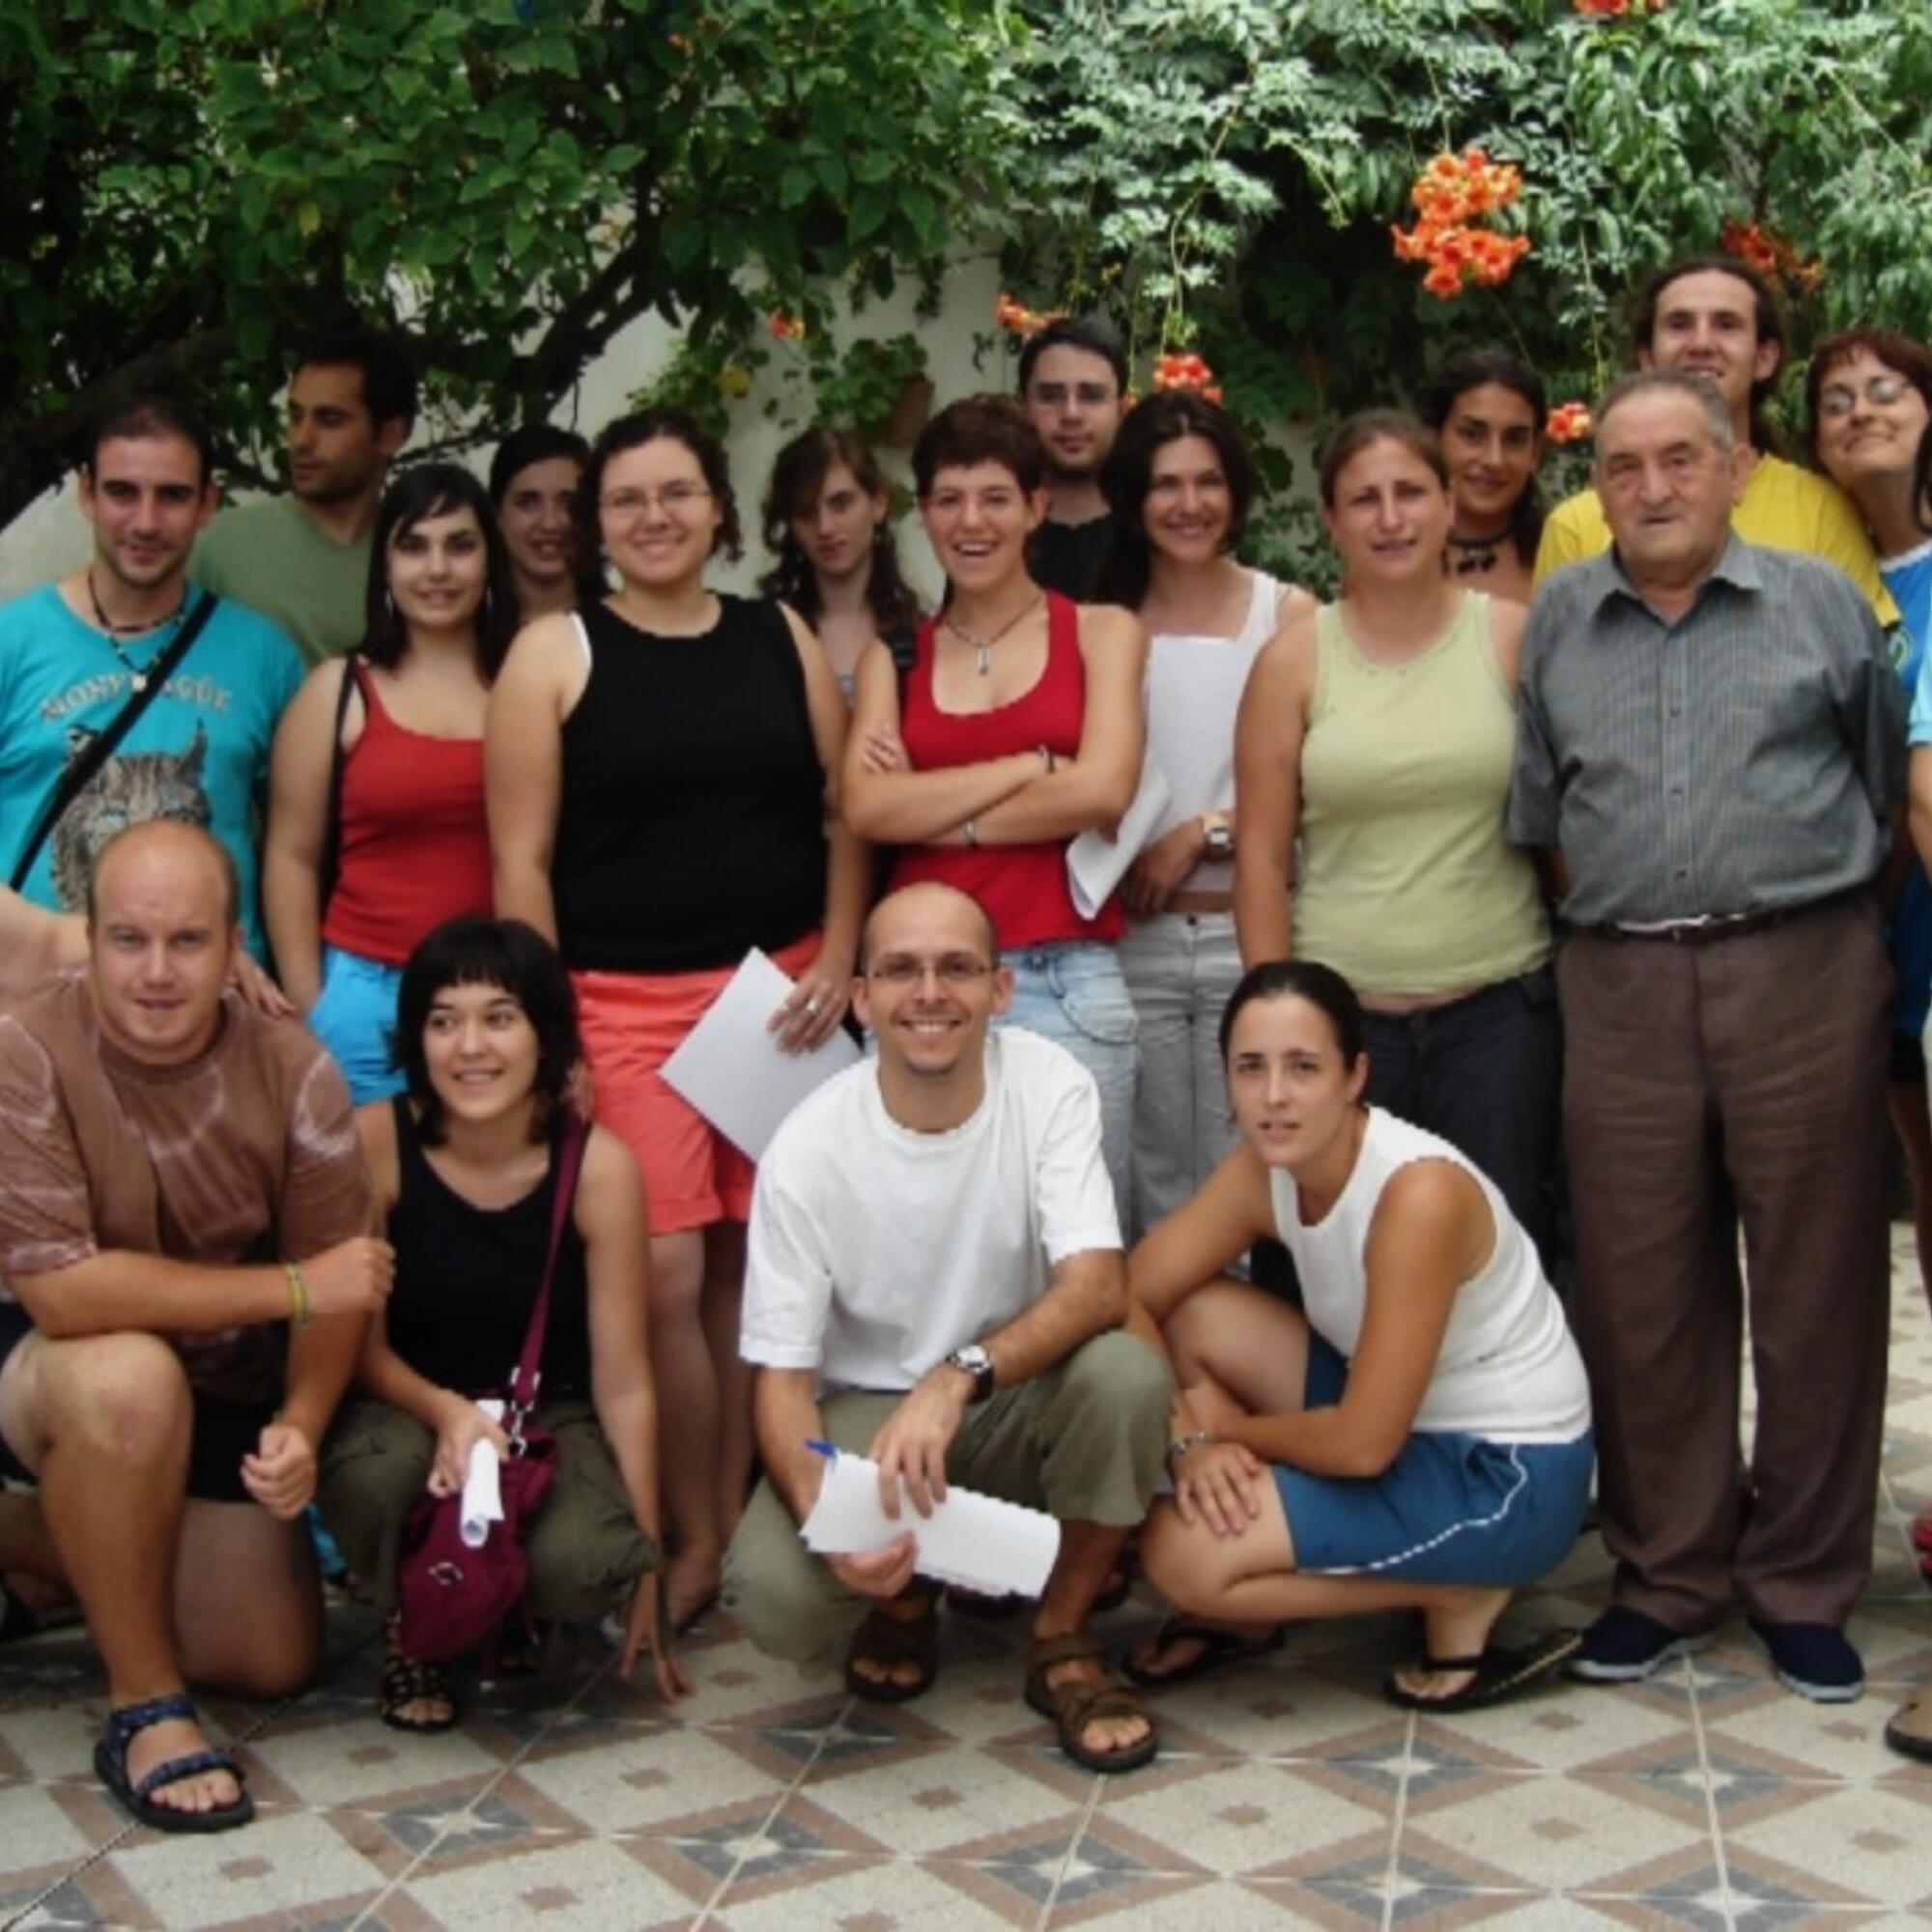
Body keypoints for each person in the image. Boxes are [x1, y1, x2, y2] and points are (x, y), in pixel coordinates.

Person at [1509, 370, 1904, 1701]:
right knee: (1642, 1292)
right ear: (1598, 487)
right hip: (1620, 984)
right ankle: (1670, 1573)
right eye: (1625, 467)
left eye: (1683, 459)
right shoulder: (1560, 616)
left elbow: (1879, 779)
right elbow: (1543, 811)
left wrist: (1816, 927)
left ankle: (1802, 1583)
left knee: (1819, 1284)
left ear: (1736, 470)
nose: (1656, 487)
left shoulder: (1820, 604)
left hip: (1802, 965)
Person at [487, 407, 867, 1634]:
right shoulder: (554, 651)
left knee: (756, 1272)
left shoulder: (781, 633)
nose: (654, 518)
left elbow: (844, 810)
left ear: (718, 507)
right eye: (627, 500)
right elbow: (521, 865)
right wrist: (553, 1043)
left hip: (778, 1003)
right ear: (596, 526)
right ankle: (690, 1534)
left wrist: (844, 955)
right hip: (622, 1007)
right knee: (658, 1269)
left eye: (677, 492)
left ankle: (750, 1510)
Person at [723, 882, 1171, 1772]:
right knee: (775, 1598)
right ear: (861, 999)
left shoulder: (1051, 1085)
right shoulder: (807, 1148)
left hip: (1003, 1396)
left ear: (1000, 991)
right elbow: (777, 1378)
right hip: (871, 1415)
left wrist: (958, 1375)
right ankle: (900, 1600)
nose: (930, 993)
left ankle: (1063, 1635)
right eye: (900, 971)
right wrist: (827, 1520)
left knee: (1127, 1374)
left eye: (958, 969)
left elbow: (1096, 1288)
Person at [0, 820, 388, 1831]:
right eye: (128, 939)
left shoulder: (293, 1065)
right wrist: (290, 1289)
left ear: (233, 945)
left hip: (216, 1380)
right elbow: (64, 1294)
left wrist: (302, 1416)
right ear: (89, 938)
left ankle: (43, 1550)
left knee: (269, 1656)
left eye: (187, 941)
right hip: (47, 1363)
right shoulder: (26, 1046)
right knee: (128, 1379)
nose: (157, 971)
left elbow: (345, 1282)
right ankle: (144, 1702)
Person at [1123, 959, 1592, 1710]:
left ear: (1355, 1076)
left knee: (1179, 1559)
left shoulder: (1418, 1194)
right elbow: (1129, 1295)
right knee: (1194, 1315)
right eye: (1251, 1068)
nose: (1274, 1097)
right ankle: (1253, 1615)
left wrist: (1232, 1435)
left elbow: (1364, 1444)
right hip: (1402, 1422)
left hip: (1506, 1473)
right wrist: (1188, 1439)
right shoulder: (1262, 1170)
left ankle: (1461, 1591)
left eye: (1304, 1068)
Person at [317, 917, 690, 1730]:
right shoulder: (376, 1142)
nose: (470, 1047)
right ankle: (412, 1628)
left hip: (542, 1413)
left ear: (544, 1036)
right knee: (371, 1475)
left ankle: (516, 1608)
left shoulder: (598, 1166)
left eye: (499, 1017)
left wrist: (650, 1561)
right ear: (416, 1036)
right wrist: (447, 1414)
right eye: (443, 1020)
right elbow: (357, 1352)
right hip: (406, 1408)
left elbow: (624, 1377)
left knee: (589, 1559)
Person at [1234, 412, 1558, 1258]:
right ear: (1332, 522)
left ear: (1450, 504)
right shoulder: (1294, 662)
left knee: (1495, 1262)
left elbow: (1564, 826)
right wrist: (1279, 1022)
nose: (1391, 517)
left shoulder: (1513, 638)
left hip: (1497, 1020)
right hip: (1344, 1031)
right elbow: (1263, 859)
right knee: (1335, 1265)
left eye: (1411, 492)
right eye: (1364, 499)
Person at [842, 397, 1148, 1214]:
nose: (971, 522)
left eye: (995, 498)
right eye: (948, 499)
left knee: (1077, 1248)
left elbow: (1101, 790)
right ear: (923, 511)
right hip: (920, 986)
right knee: (919, 1235)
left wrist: (935, 810)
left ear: (1037, 507)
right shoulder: (894, 656)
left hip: (1066, 976)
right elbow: (866, 809)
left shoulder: (1100, 632)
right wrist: (1025, 765)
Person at [1095, 391, 1317, 1234]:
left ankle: (1247, 1355)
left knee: (1255, 1181)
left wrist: (1205, 833)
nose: (1189, 505)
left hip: (1252, 932)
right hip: (1135, 942)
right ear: (1133, 496)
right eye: (1165, 485)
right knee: (1147, 1184)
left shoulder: (1287, 614)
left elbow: (1317, 787)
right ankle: (1166, 1364)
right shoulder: (1101, 624)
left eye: (1208, 482)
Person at [0, 395, 301, 976]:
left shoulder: (266, 657)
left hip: (214, 1014)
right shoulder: (12, 642)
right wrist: (69, 944)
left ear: (207, 504)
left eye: (172, 496)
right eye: (122, 492)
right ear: (87, 494)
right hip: (38, 1013)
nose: (144, 522)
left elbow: (301, 855)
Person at [263, 465, 514, 1103]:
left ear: (490, 560)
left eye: (460, 545)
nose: (437, 569)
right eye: (413, 545)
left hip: (500, 1000)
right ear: (385, 565)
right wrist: (308, 1006)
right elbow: (290, 857)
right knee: (361, 1198)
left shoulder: (529, 685)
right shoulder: (338, 691)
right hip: (364, 998)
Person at [1807, 327, 1932, 1469]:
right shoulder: (1825, 574)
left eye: (1883, 389)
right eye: (1835, 398)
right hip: (1880, 934)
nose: (1859, 411)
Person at [1533, 256, 1888, 611]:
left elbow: (1862, 657)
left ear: (1764, 358)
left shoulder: (1822, 511)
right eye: (1679, 324)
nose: (1701, 343)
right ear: (1647, 358)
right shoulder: (1576, 527)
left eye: (1726, 325)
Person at [194, 325, 417, 665]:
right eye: (295, 417)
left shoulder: (421, 558)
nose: (301, 440)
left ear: (390, 435)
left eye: (329, 420)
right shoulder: (220, 546)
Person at [760, 427, 923, 696]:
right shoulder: (769, 635)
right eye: (806, 511)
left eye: (840, 504)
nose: (824, 527)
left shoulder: (920, 633)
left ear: (878, 503)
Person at [1418, 347, 1548, 605]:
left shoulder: (1562, 555)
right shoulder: (1396, 560)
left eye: (1515, 439)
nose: (1494, 459)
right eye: (1472, 435)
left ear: (1535, 452)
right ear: (1433, 439)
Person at [1017, 318, 1130, 601]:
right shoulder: (996, 528)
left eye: (1091, 396)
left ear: (1121, 410)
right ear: (1023, 408)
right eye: (1050, 396)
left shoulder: (1151, 528)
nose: (1071, 414)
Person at [489, 423, 602, 624]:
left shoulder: (627, 629)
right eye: (528, 503)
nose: (550, 523)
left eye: (569, 503)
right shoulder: (469, 638)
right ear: (497, 514)